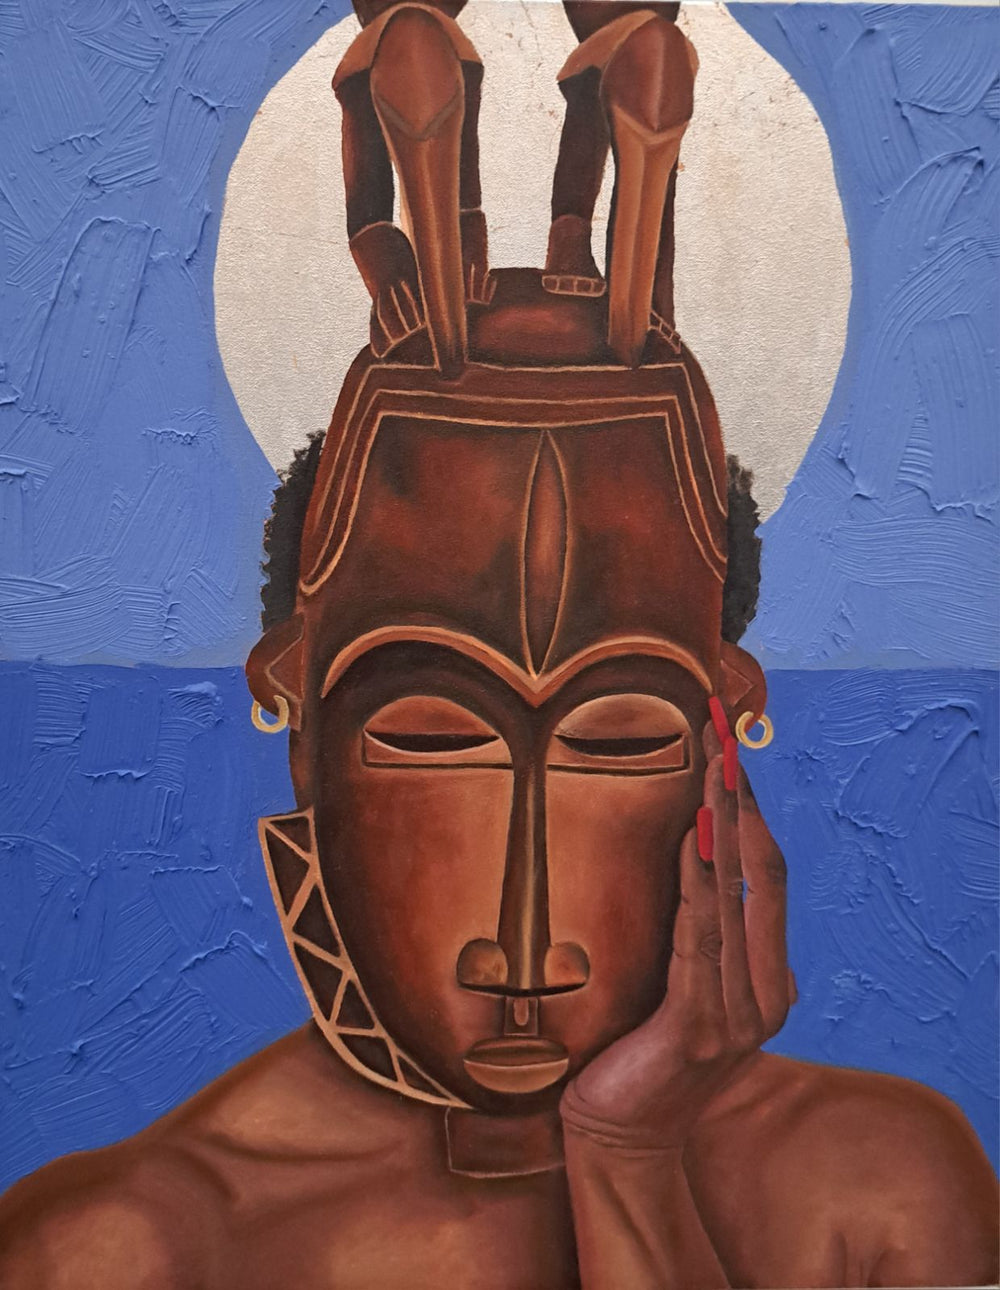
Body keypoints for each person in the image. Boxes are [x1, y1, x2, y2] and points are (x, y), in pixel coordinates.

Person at [0, 4, 996, 1287]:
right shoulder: (122, 1254)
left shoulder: (880, 1195)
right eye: (430, 740)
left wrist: (626, 1156)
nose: (524, 949)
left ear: (725, 728)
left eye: (617, 743)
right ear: (295, 711)